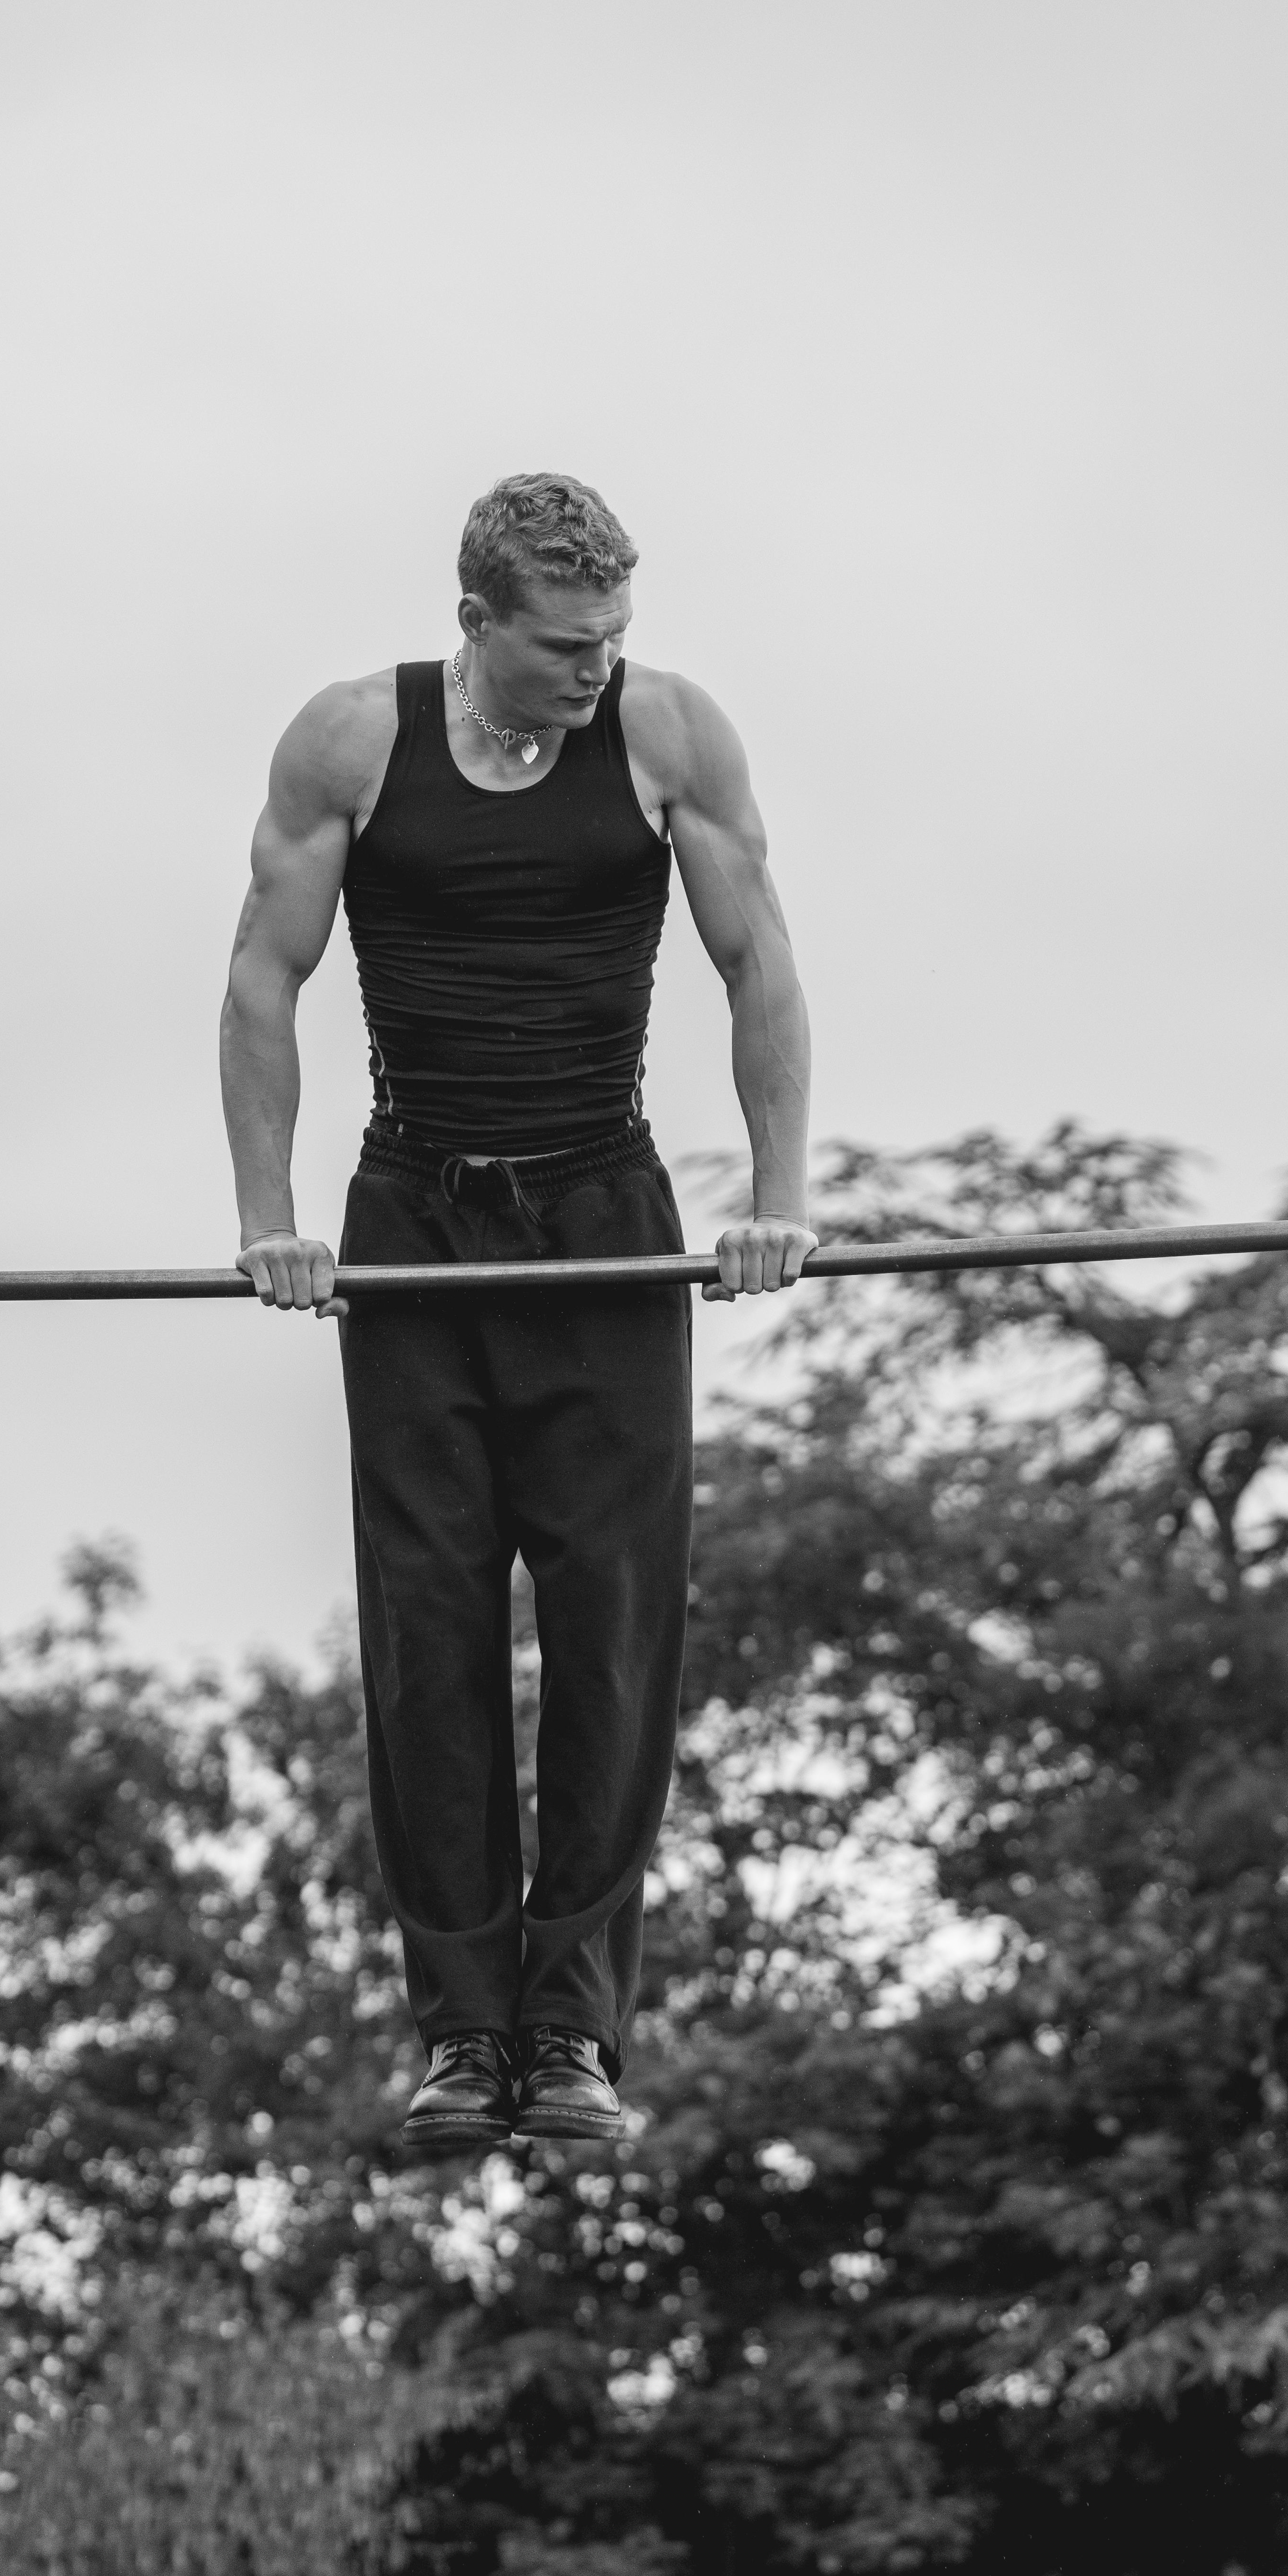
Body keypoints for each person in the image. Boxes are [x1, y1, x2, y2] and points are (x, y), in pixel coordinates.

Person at [219, 472, 814, 2155]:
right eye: (564, 642)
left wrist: (778, 1194)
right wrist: (269, 1226)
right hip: (411, 1219)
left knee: (619, 1626)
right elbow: (263, 974)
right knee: (429, 1634)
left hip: (602, 1218)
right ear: (474, 622)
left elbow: (757, 956)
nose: (596, 667)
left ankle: (573, 2040)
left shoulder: (667, 735)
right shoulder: (350, 745)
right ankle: (464, 2038)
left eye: (615, 636)